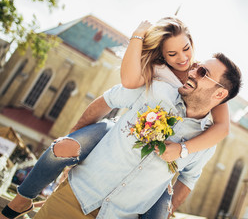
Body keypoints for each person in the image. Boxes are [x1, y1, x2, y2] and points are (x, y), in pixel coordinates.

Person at [0, 17, 229, 219]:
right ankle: (23, 198)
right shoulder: (158, 74)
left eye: (186, 49)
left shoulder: (205, 81)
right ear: (162, 55)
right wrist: (138, 35)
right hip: (115, 131)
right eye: (172, 54)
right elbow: (121, 89)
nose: (183, 59)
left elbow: (222, 128)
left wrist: (182, 150)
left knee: (162, 203)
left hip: (152, 176)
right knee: (62, 147)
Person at [33, 53, 242, 219]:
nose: (192, 71)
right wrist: (73, 145)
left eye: (203, 71)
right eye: (195, 65)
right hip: (74, 198)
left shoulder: (206, 142)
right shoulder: (155, 89)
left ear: (220, 94)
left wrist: (167, 211)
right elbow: (107, 100)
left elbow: (189, 179)